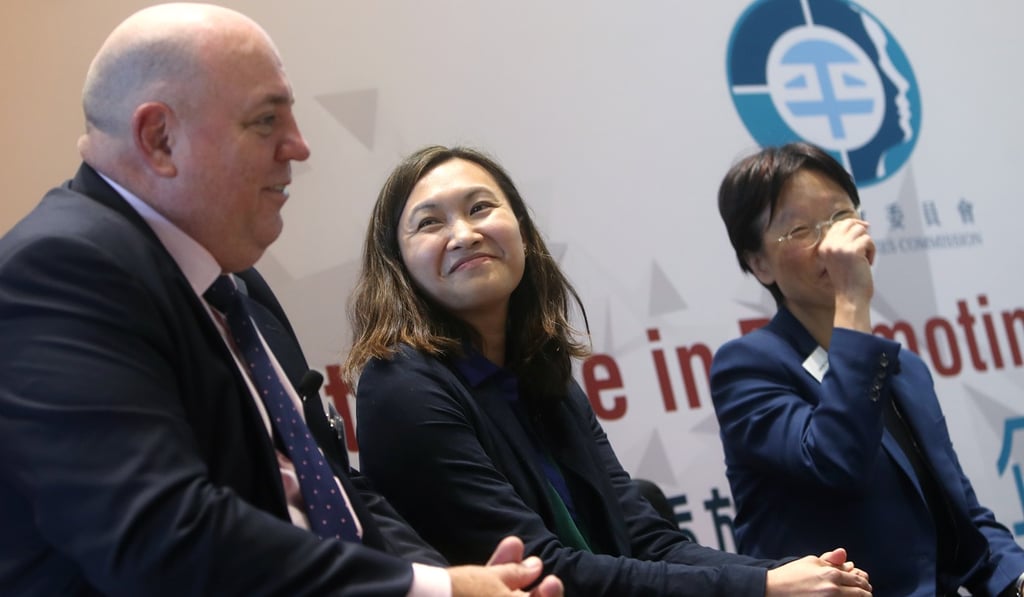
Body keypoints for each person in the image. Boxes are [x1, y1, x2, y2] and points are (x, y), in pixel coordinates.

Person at [0, 5, 563, 597]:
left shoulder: (234, 285)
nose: (298, 147)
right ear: (160, 140)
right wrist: (437, 593)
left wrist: (448, 582)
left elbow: (333, 488)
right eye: (267, 120)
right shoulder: (60, 271)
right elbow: (165, 538)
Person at [346, 144, 874, 596]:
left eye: (480, 207)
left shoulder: (541, 375)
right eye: (429, 222)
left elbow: (646, 539)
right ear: (398, 263)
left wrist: (791, 574)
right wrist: (762, 587)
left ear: (522, 232)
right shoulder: (401, 386)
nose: (463, 234)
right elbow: (541, 571)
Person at [711, 141, 1024, 596]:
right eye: (801, 229)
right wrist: (852, 297)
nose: (832, 244)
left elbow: (964, 521)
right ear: (759, 263)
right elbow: (837, 461)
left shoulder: (904, 369)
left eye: (841, 217)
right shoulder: (748, 366)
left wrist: (1018, 580)